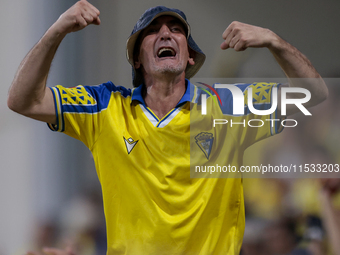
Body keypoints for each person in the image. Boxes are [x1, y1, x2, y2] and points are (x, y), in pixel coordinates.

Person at [8, 1, 328, 254]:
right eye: (153, 30)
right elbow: (23, 101)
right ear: (137, 60)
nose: (165, 34)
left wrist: (274, 41)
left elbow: (314, 93)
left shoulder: (228, 105)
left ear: (189, 57)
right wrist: (57, 30)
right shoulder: (104, 106)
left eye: (176, 30)